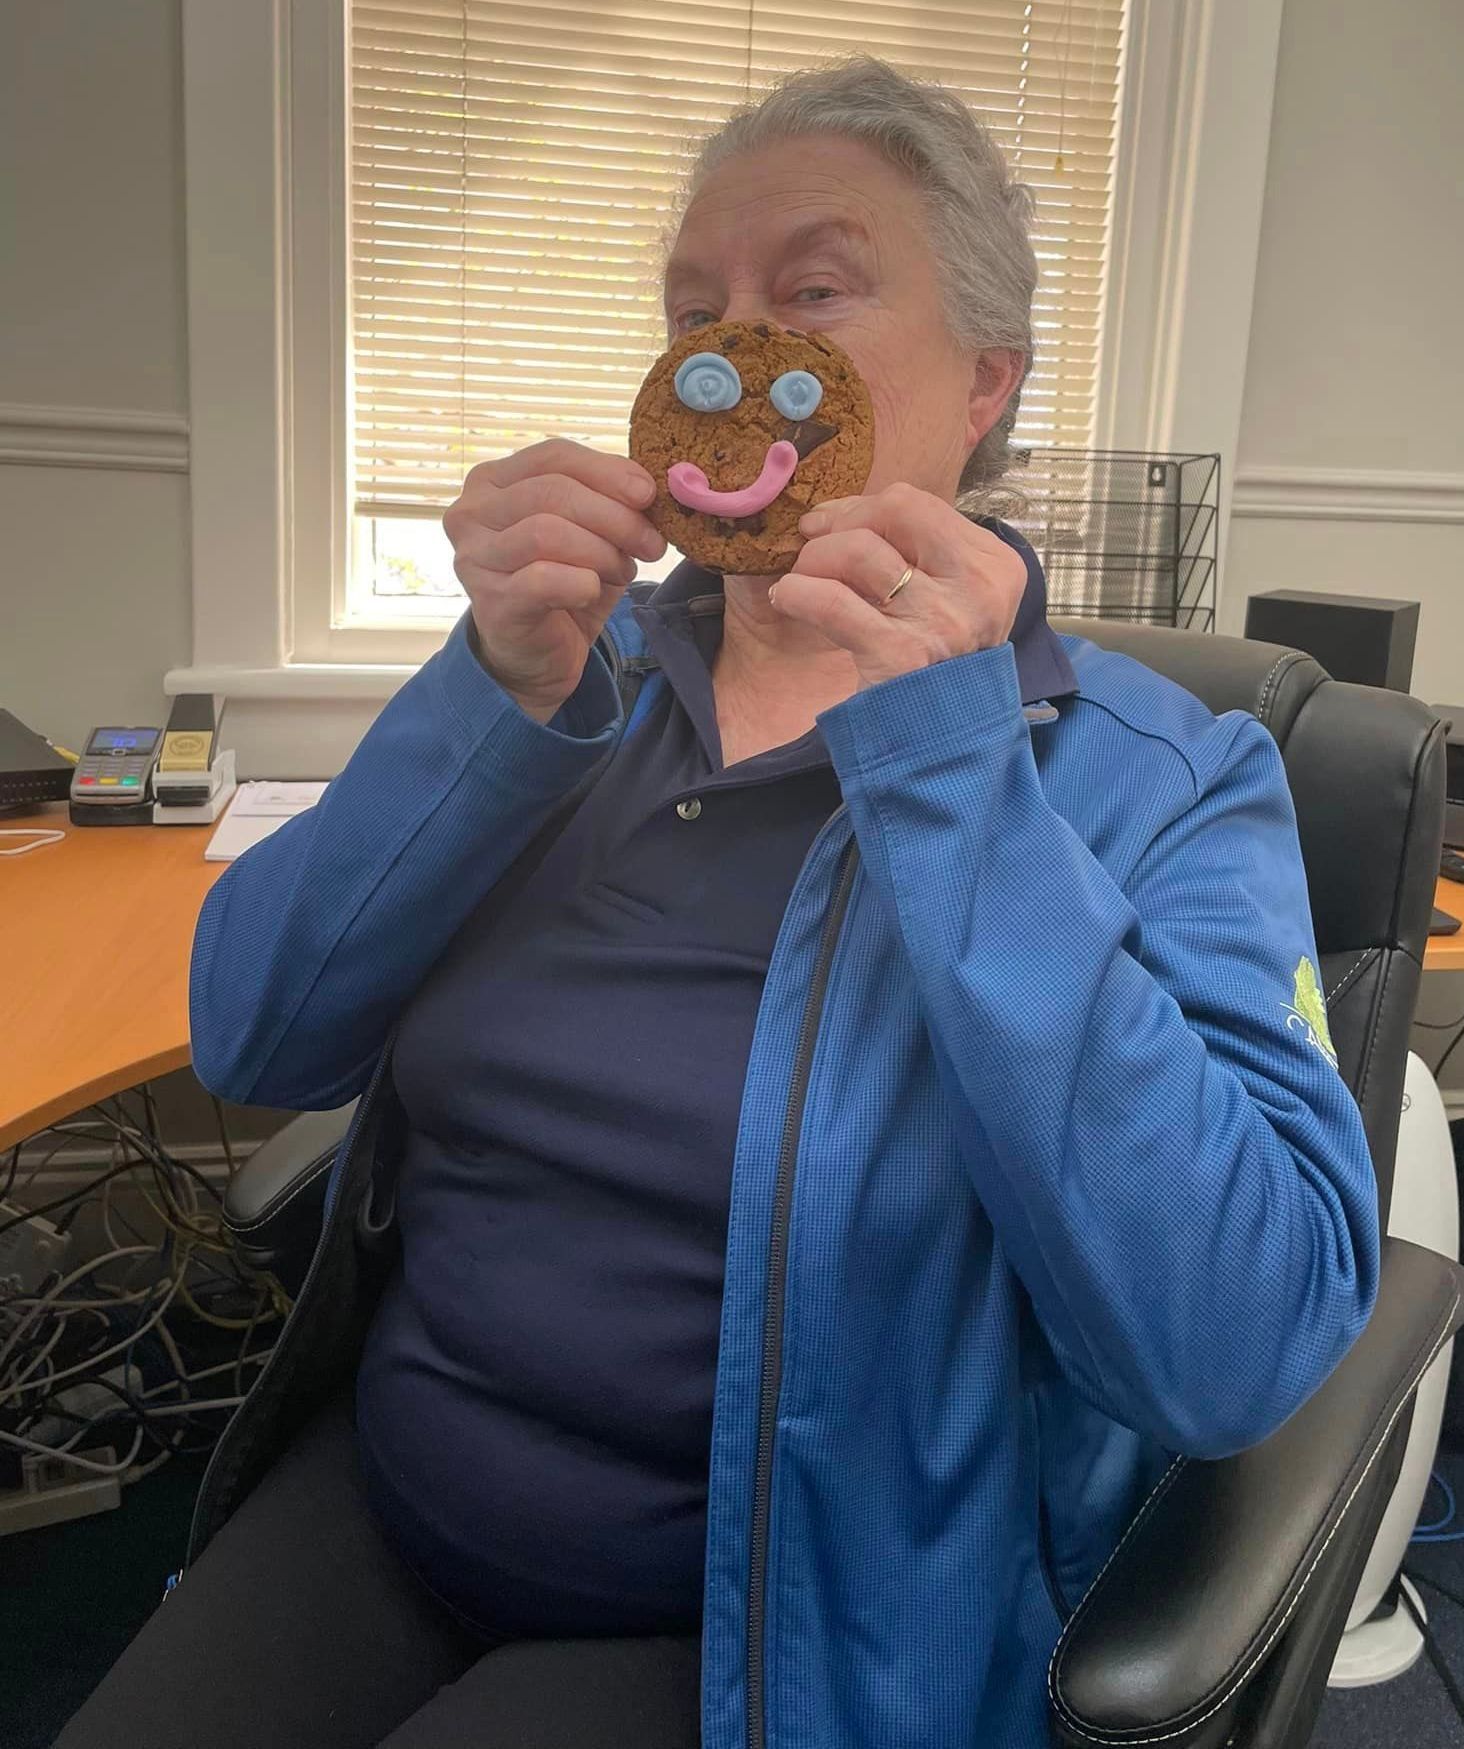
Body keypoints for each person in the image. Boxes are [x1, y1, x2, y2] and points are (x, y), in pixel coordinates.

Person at [56, 54, 1379, 1749]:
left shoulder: (1167, 777)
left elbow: (1240, 1340)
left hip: (785, 1621)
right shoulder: (570, 678)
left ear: (986, 378)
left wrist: (956, 778)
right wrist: (491, 696)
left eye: (814, 292)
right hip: (387, 1499)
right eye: (696, 309)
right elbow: (255, 1033)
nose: (735, 350)